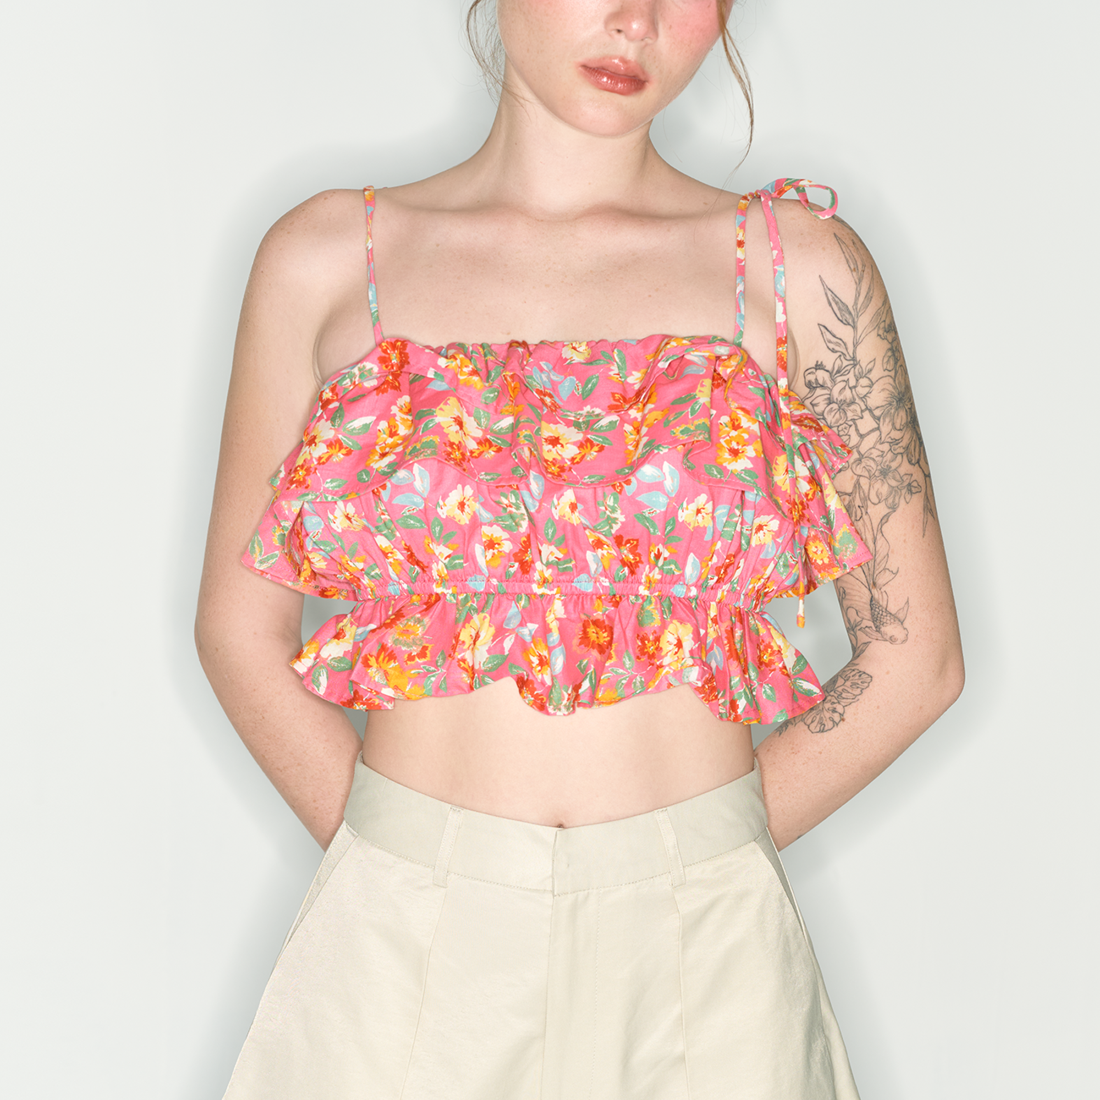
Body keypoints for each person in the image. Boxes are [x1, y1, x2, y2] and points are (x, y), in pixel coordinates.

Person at [196, 1, 963, 1096]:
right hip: (399, 949)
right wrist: (410, 857)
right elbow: (238, 627)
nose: (635, 19)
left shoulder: (803, 270)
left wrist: (696, 853)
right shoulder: (324, 259)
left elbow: (915, 657)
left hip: (710, 955)